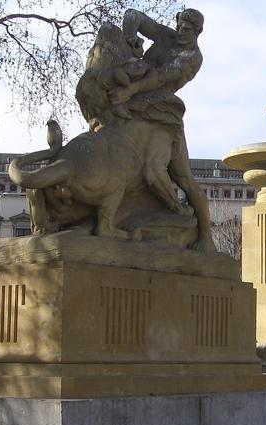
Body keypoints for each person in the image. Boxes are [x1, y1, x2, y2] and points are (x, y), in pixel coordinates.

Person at [107, 8, 216, 251]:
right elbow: (132, 15)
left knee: (180, 177)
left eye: (187, 29)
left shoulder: (192, 56)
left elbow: (159, 77)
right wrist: (129, 37)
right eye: (179, 26)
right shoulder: (167, 36)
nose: (181, 32)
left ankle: (205, 236)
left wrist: (129, 90)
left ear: (197, 32)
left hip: (163, 110)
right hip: (131, 101)